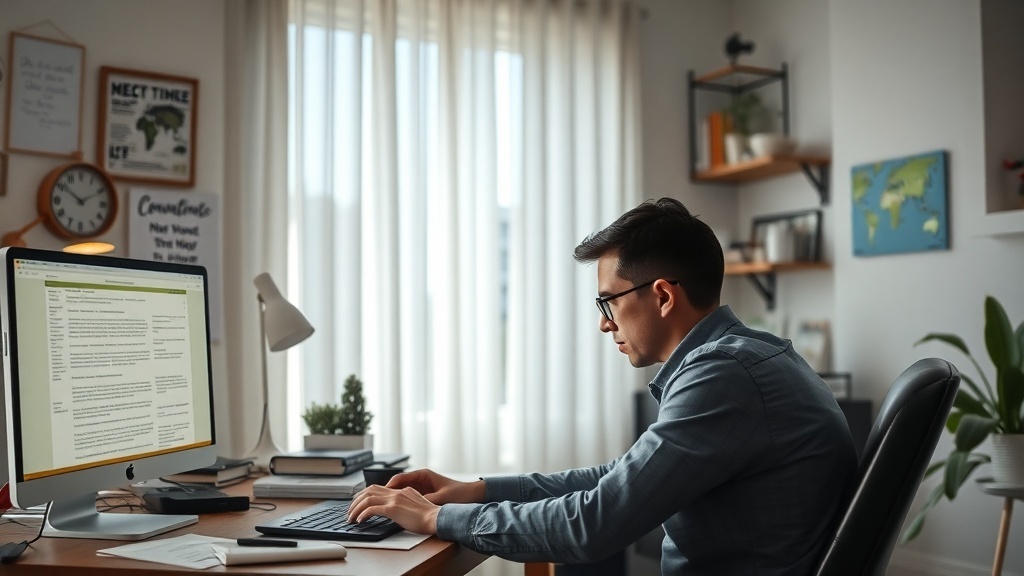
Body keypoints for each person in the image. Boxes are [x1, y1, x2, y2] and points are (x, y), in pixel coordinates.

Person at [348, 197, 857, 575]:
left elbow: (593, 525)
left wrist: (438, 519)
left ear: (661, 296)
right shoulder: (749, 356)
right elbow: (619, 477)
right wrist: (477, 491)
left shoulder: (722, 377)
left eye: (608, 301)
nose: (604, 323)